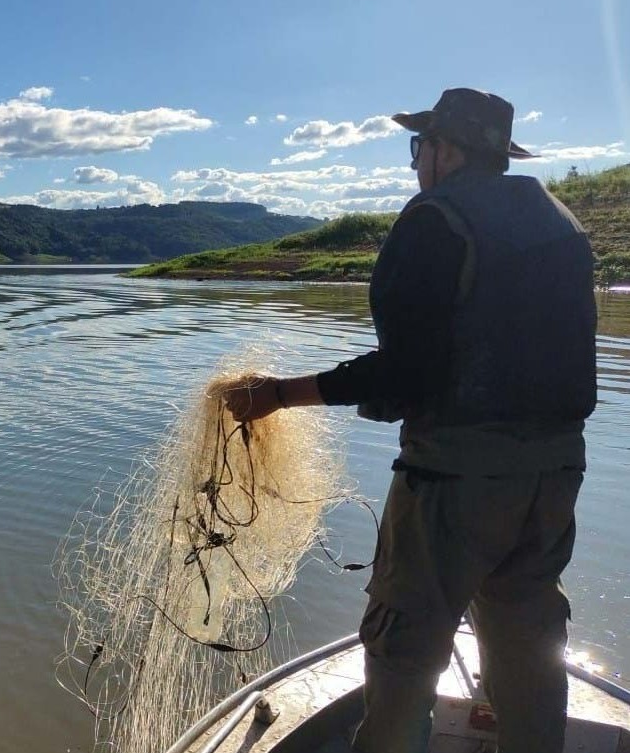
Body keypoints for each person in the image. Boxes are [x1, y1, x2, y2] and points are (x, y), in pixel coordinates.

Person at [224, 88, 597, 753]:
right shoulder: (558, 221)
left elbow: (403, 375)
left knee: (403, 653)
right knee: (527, 648)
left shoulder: (435, 220)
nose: (415, 161)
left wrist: (276, 395)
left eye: (418, 146)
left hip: (454, 482)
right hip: (555, 476)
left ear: (445, 150)